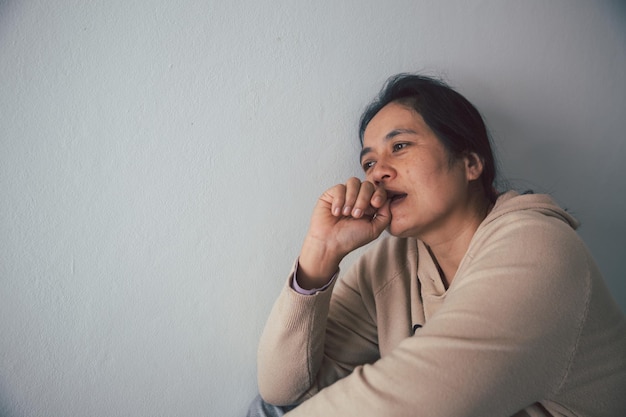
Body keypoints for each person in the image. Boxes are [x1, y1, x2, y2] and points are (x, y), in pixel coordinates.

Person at [247, 74, 626, 417]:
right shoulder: (393, 263)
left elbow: (413, 401)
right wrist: (320, 254)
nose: (378, 171)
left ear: (471, 163)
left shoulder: (539, 249)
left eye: (400, 145)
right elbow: (284, 390)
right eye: (368, 162)